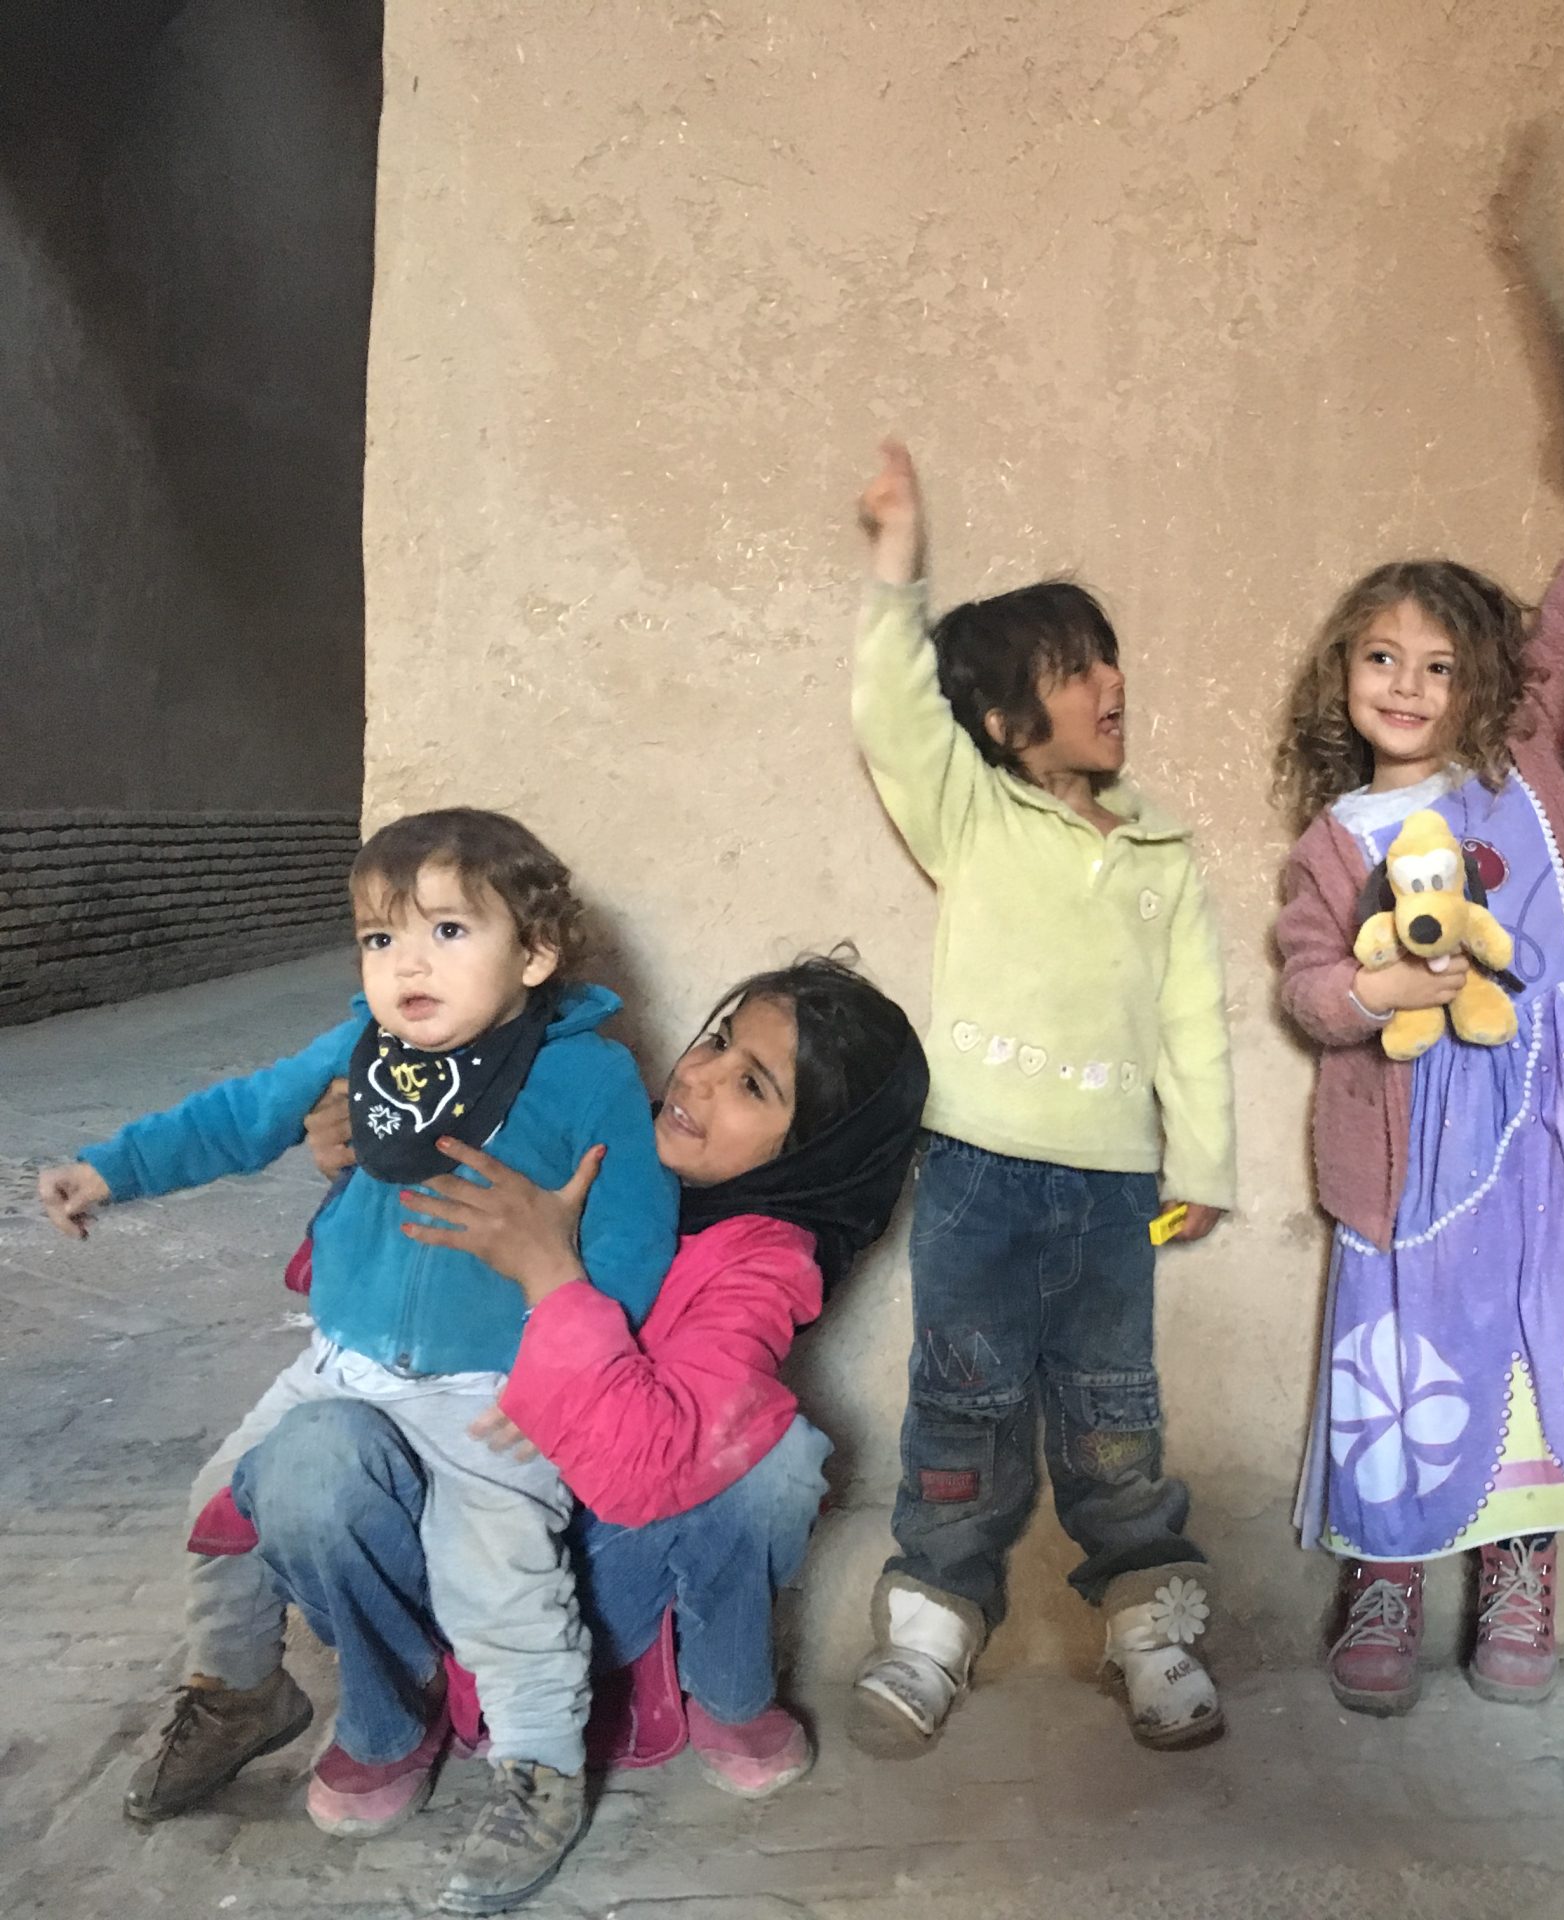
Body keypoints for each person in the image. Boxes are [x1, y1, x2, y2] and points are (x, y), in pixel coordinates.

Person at [38, 808, 674, 1916]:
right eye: (381, 939)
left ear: (534, 953)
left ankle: (539, 1767)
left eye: (446, 931)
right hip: (344, 1364)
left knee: (499, 1574)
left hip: (494, 1388)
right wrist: (111, 1169)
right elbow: (238, 1116)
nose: (406, 965)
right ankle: (241, 1693)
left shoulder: (587, 1077)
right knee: (218, 1510)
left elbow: (632, 1238)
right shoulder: (362, 1055)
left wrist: (565, 1371)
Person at [227, 953, 928, 1832]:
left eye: (752, 1085)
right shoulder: (588, 1136)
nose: (699, 1076)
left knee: (775, 1456)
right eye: (718, 1040)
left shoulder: (763, 1261)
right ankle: (391, 1708)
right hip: (439, 1537)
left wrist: (550, 1272)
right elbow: (372, 1285)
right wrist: (369, 1154)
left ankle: (725, 1687)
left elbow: (646, 1471)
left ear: (814, 1149)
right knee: (309, 1453)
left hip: (596, 1565)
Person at [844, 439, 1239, 1754]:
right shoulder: (974, 819)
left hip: (1116, 1185)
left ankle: (1149, 1631)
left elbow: (1191, 1017)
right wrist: (897, 565)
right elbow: (895, 714)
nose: (1110, 683)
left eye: (1109, 660)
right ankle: (930, 1632)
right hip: (977, 1169)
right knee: (962, 1403)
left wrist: (1203, 1164)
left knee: (1114, 1413)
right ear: (1010, 725)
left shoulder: (1162, 851)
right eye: (1075, 671)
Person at [1274, 454, 1564, 1716]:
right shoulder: (1335, 840)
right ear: (1343, 676)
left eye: (1440, 665)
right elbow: (1307, 982)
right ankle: (1384, 1578)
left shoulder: (1525, 772)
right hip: (1414, 1159)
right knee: (1409, 1357)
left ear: (1485, 686)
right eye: (1382, 657)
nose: (1408, 684)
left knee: (1538, 1354)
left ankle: (1520, 1576)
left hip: (1561, 1136)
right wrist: (1372, 992)